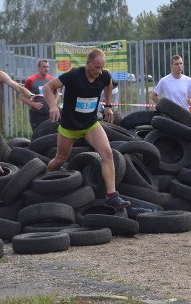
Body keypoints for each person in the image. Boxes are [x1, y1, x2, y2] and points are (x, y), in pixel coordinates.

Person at [42, 48, 130, 209]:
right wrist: (53, 107)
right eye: (96, 67)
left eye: (102, 67)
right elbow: (48, 87)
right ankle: (43, 184)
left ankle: (112, 196)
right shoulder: (74, 75)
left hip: (90, 124)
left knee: (107, 153)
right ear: (87, 63)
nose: (99, 71)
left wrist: (108, 106)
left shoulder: (104, 75)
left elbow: (108, 85)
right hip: (69, 126)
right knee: (60, 159)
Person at [21, 59, 55, 132]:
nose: (46, 69)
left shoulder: (52, 80)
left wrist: (54, 102)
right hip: (36, 114)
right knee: (38, 134)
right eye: (44, 67)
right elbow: (22, 97)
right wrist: (33, 104)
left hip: (50, 113)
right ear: (39, 67)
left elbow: (56, 93)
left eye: (47, 67)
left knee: (51, 134)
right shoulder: (31, 80)